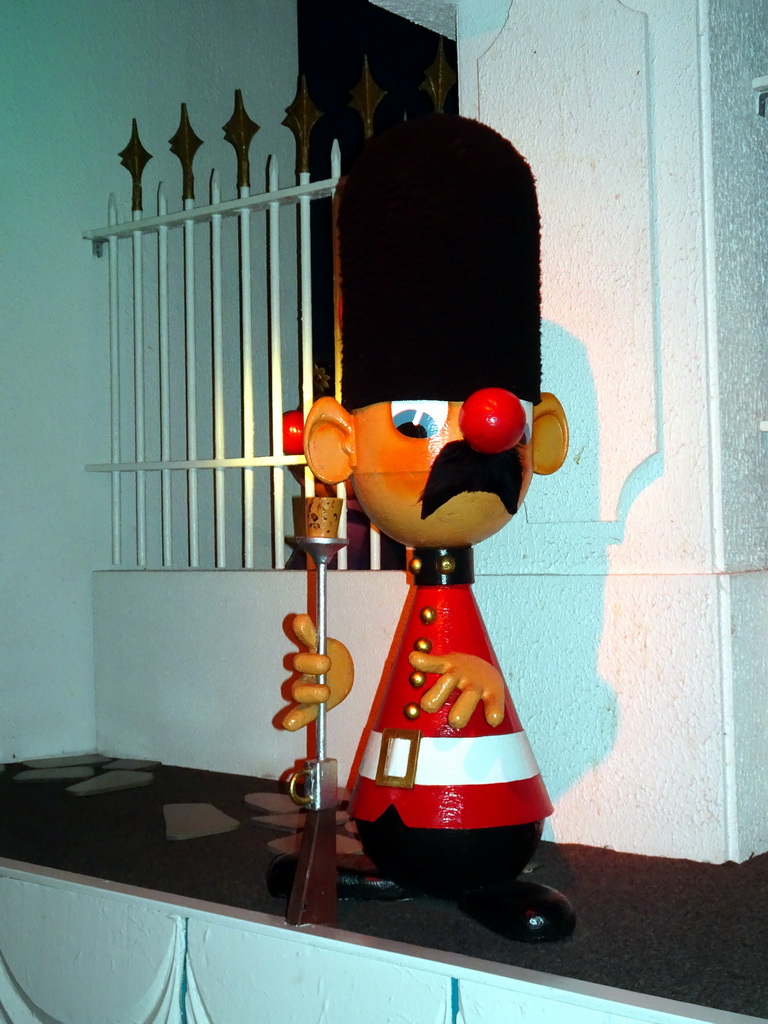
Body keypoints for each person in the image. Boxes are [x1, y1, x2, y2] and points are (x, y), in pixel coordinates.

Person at [277, 114, 574, 941]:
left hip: (493, 829)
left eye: (496, 422)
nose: (470, 436)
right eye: (413, 422)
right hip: (387, 817)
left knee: (479, 827)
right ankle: (382, 862)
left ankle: (480, 880)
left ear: (536, 438)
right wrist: (335, 679)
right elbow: (402, 685)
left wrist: (480, 682)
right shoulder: (362, 476)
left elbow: (453, 681)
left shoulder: (498, 467)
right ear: (340, 446)